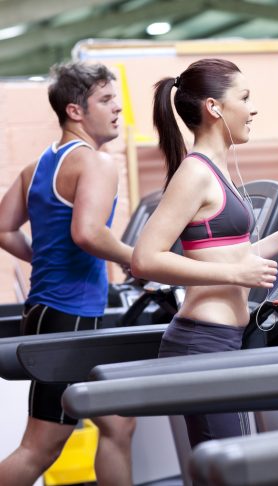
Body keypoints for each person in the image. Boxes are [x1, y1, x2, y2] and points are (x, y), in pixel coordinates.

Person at [131, 58, 278, 449]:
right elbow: (145, 259)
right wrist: (235, 276)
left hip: (222, 338)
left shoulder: (216, 168)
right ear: (214, 107)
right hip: (203, 341)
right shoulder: (196, 172)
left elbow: (227, 258)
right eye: (245, 97)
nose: (253, 109)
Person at [0, 62, 136, 486]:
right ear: (76, 111)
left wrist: (43, 257)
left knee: (119, 424)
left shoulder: (38, 166)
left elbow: (3, 229)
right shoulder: (95, 163)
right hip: (69, 317)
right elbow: (88, 233)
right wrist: (137, 258)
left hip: (49, 310)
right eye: (105, 100)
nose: (117, 109)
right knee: (39, 448)